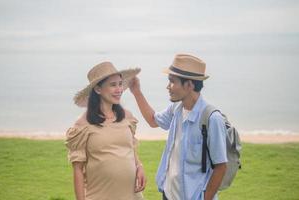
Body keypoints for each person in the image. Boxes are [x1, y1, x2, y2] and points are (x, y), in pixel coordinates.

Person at [129, 54, 227, 200]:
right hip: (168, 194)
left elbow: (221, 166)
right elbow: (153, 121)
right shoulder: (176, 108)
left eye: (172, 82)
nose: (168, 87)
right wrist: (136, 91)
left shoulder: (212, 119)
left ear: (189, 85)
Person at [65, 61, 146, 200]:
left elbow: (130, 147)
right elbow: (77, 169)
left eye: (120, 84)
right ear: (98, 89)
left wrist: (139, 165)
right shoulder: (82, 125)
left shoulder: (127, 117)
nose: (119, 89)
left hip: (132, 195)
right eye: (113, 85)